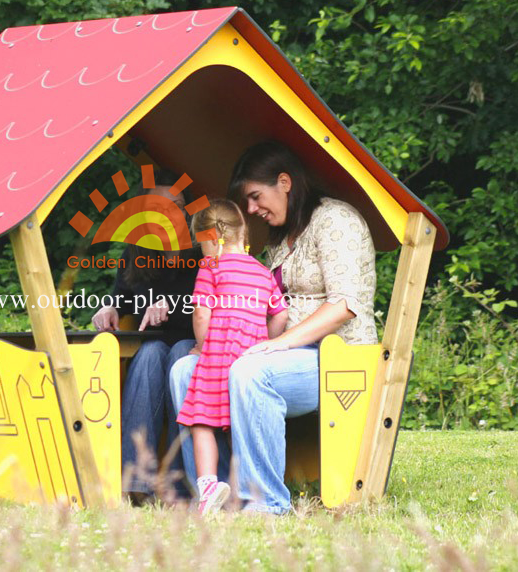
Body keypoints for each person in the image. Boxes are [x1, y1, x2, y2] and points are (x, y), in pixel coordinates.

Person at [170, 141, 377, 514]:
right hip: (279, 353)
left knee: (250, 371)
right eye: (246, 203)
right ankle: (213, 496)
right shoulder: (280, 240)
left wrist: (278, 343)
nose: (250, 210)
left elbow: (345, 305)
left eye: (254, 196)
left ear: (284, 182)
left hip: (335, 360)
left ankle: (264, 503)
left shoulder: (336, 221)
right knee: (186, 369)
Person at [91, 170, 200, 502]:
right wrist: (107, 307)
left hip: (193, 342)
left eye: (177, 205)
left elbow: (212, 301)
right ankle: (136, 485)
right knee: (151, 353)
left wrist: (172, 304)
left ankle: (180, 488)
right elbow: (120, 295)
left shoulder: (202, 254)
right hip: (151, 345)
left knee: (180, 353)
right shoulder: (136, 253)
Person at [175, 199, 287, 514]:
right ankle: (241, 492)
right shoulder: (263, 271)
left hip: (216, 356)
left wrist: (201, 345)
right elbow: (280, 313)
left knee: (201, 422)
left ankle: (209, 486)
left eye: (201, 244)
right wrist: (266, 341)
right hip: (248, 357)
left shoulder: (211, 266)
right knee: (240, 426)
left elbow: (201, 312)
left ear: (212, 239)